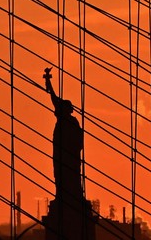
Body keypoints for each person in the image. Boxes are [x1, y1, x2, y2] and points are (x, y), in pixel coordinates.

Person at [43, 67, 85, 201]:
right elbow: (53, 97)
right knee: (60, 172)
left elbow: (79, 140)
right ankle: (63, 194)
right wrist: (48, 81)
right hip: (62, 153)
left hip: (71, 156)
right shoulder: (65, 121)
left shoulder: (72, 122)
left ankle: (72, 195)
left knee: (70, 174)